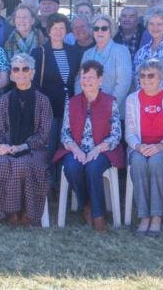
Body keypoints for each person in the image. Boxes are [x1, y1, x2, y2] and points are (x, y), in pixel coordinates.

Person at [55, 60, 124, 232]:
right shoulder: (72, 102)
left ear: (100, 80)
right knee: (72, 167)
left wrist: (97, 149)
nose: (86, 81)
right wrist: (76, 150)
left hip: (103, 150)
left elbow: (116, 134)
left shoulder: (110, 102)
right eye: (83, 78)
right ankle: (86, 204)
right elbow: (65, 133)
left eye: (91, 77)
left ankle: (98, 215)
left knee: (93, 168)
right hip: (76, 148)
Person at [0, 53, 53, 226]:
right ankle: (7, 211)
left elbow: (44, 133)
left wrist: (23, 146)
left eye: (25, 69)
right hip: (7, 146)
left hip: (34, 148)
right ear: (12, 75)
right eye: (16, 69)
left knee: (22, 164)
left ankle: (26, 211)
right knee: (0, 163)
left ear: (32, 73)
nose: (21, 72)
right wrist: (0, 145)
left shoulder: (43, 101)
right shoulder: (4, 100)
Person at [125, 58, 163, 237]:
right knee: (139, 163)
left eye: (151, 75)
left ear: (161, 78)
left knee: (156, 162)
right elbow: (129, 133)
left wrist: (160, 146)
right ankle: (144, 217)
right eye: (142, 75)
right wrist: (139, 146)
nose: (146, 79)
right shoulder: (132, 99)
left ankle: (156, 216)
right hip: (140, 147)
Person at [31, 13, 81, 165]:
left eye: (62, 28)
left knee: (68, 145)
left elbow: (76, 78)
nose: (58, 31)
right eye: (55, 28)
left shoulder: (74, 52)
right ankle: (49, 183)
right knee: (49, 146)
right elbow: (33, 83)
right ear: (48, 31)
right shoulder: (39, 53)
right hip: (49, 108)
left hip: (71, 107)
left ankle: (63, 182)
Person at [76, 14, 132, 117]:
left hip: (113, 113)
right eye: (96, 28)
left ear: (111, 31)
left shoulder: (121, 51)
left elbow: (123, 84)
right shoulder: (87, 54)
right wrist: (82, 104)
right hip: (88, 113)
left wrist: (108, 107)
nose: (99, 31)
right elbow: (79, 80)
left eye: (104, 28)